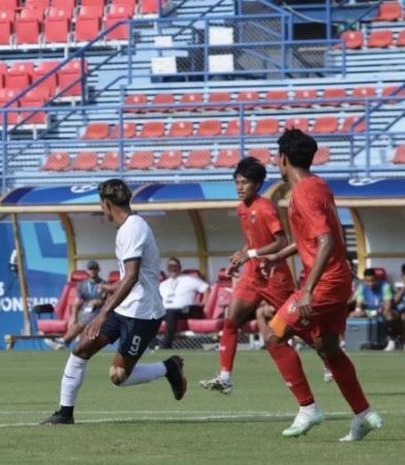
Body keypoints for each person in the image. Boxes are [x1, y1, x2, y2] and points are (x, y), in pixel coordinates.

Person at [256, 129, 381, 441]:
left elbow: (325, 242)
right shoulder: (319, 185)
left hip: (324, 283)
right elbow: (314, 239)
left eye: (276, 156)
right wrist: (278, 257)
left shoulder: (303, 194)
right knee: (328, 348)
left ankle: (308, 408)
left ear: (283, 159)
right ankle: (363, 413)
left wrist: (309, 289)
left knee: (273, 335)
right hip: (338, 281)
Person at [40, 179, 186, 425]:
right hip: (124, 306)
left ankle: (169, 367)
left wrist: (101, 314)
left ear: (106, 204)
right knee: (80, 350)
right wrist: (112, 289)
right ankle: (65, 413)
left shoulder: (132, 228)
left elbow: (131, 277)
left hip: (143, 313)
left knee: (119, 376)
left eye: (101, 204)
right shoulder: (128, 227)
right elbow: (131, 278)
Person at [199, 157, 294, 394]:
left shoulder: (266, 207)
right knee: (231, 320)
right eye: (237, 182)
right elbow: (251, 241)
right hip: (252, 275)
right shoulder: (242, 208)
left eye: (245, 183)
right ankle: (225, 377)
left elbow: (281, 241)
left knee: (298, 325)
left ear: (258, 184)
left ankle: (328, 359)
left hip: (274, 275)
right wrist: (240, 257)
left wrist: (250, 253)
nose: (239, 187)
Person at [45, 260, 107, 350]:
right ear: (87, 271)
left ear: (98, 270)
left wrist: (100, 302)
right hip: (85, 311)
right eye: (90, 269)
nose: (92, 271)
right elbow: (76, 302)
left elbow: (109, 301)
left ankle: (64, 341)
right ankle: (65, 341)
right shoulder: (82, 284)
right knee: (79, 318)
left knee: (86, 318)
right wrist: (73, 317)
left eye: (94, 269)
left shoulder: (104, 284)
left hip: (98, 311)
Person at [157, 257, 210, 348]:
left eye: (174, 266)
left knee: (170, 313)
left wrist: (204, 302)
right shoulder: (163, 284)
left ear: (180, 267)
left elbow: (206, 288)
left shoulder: (190, 279)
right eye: (170, 266)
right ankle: (151, 344)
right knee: (150, 316)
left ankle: (166, 345)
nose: (172, 268)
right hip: (167, 311)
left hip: (187, 310)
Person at [350, 268, 397, 351]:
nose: (370, 283)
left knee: (389, 314)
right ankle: (351, 341)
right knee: (352, 315)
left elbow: (388, 306)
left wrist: (381, 309)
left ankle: (391, 341)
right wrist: (358, 309)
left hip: (382, 311)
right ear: (364, 280)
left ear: (376, 279)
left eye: (373, 280)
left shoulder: (385, 286)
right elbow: (359, 305)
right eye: (368, 281)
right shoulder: (361, 287)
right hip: (368, 312)